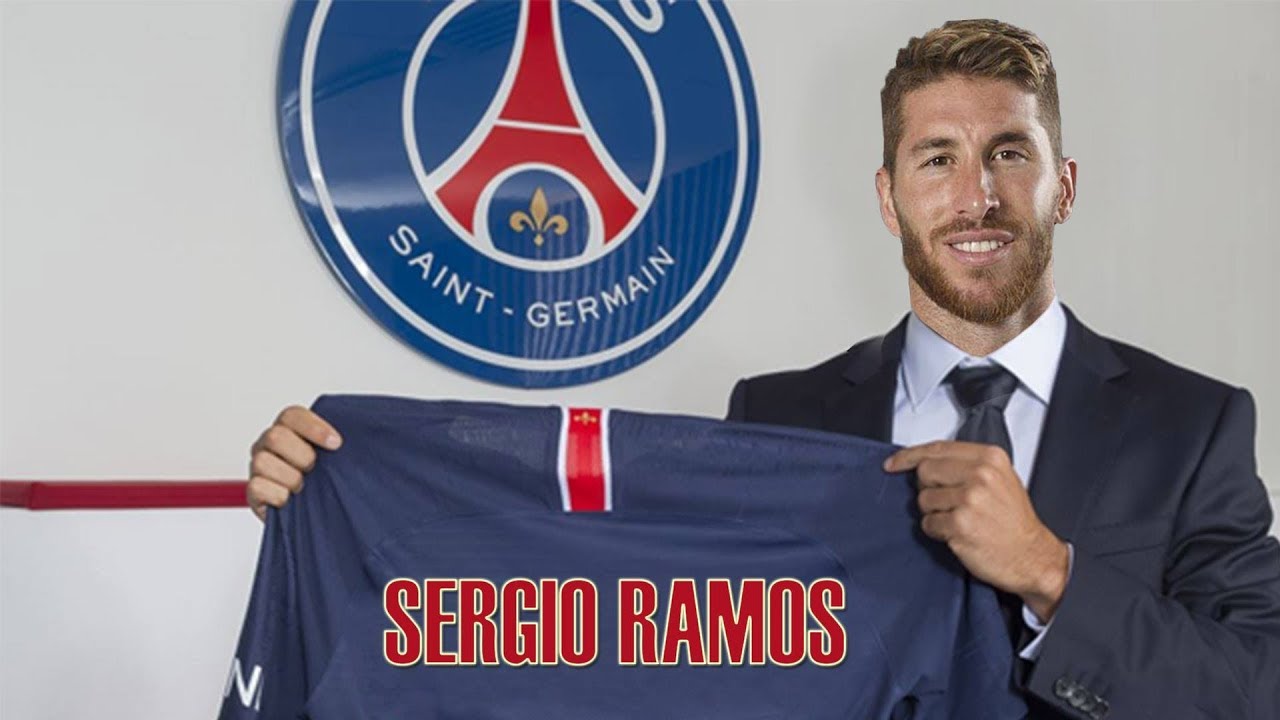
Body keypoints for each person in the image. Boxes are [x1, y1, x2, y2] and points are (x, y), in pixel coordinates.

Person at [246, 19, 1280, 719]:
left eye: (1009, 153)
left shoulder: (1189, 426)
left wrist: (1051, 573)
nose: (976, 196)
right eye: (937, 158)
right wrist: (342, 500)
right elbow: (627, 615)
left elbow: (1257, 684)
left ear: (1063, 185)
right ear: (888, 198)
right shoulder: (780, 419)